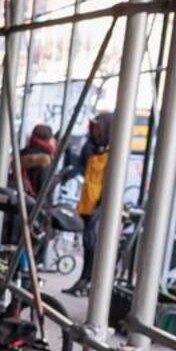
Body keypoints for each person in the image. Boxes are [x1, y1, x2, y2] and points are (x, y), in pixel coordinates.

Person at [77, 112, 113, 262]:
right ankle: (85, 277)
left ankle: (90, 278)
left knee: (95, 243)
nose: (95, 131)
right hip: (87, 203)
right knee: (87, 243)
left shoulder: (112, 154)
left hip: (98, 204)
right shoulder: (91, 148)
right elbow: (81, 166)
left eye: (98, 128)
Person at [18, 124, 58, 199]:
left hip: (20, 199)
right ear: (48, 139)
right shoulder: (46, 159)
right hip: (35, 204)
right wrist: (57, 178)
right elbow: (44, 188)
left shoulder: (22, 153)